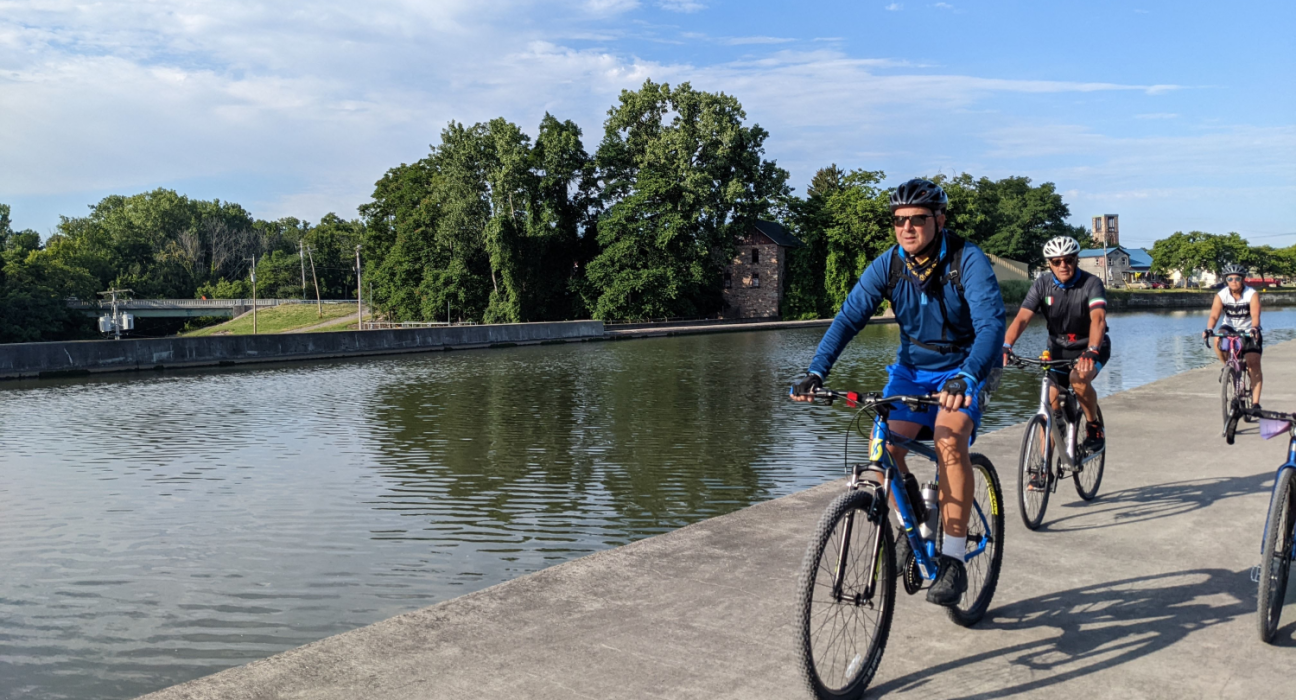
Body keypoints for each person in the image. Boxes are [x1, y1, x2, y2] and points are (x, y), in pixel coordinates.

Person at [789, 178, 1006, 607]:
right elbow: (849, 318)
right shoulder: (888, 265)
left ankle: (954, 559)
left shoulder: (968, 260)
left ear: (939, 220)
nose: (907, 228)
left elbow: (991, 327)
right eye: (899, 221)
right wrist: (816, 372)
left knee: (948, 439)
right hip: (910, 372)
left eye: (918, 219)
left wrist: (967, 377)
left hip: (965, 368)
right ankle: (913, 525)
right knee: (882, 445)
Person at [1001, 235, 1110, 482]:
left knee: (1079, 378)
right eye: (1056, 261)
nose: (1063, 265)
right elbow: (1021, 319)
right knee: (1049, 401)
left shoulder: (1091, 283)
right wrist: (1006, 346)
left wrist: (1092, 350)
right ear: (1049, 263)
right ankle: (1043, 468)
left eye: (1068, 260)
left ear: (1076, 260)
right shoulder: (1041, 285)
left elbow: (1098, 319)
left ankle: (1093, 427)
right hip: (1058, 351)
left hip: (1091, 347)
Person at [1203, 263, 1263, 411]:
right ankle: (1226, 366)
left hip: (1249, 329)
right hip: (1229, 327)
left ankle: (1255, 403)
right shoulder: (1221, 295)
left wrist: (1255, 328)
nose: (1234, 281)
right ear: (1226, 280)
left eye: (1237, 278)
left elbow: (1255, 314)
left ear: (1242, 279)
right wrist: (1209, 329)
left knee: (1253, 364)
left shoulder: (1251, 294)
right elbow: (1214, 315)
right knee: (1217, 338)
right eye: (1230, 278)